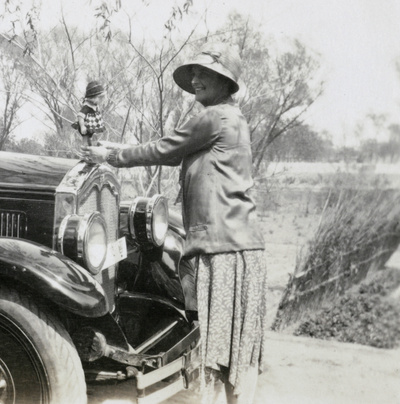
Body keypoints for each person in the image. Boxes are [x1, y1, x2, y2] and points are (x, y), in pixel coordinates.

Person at [82, 42, 266, 404]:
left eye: (206, 73)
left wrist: (112, 156)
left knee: (217, 353)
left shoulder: (213, 117)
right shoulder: (232, 117)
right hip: (239, 245)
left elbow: (164, 149)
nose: (196, 78)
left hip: (224, 248)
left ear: (225, 82)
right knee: (234, 352)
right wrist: (114, 148)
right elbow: (170, 148)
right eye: (195, 72)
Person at [72, 80, 106, 145]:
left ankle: (93, 146)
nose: (101, 100)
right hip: (86, 125)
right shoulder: (87, 106)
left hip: (92, 125)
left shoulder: (95, 105)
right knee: (86, 138)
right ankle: (85, 148)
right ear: (93, 98)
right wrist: (82, 126)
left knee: (94, 137)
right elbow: (80, 116)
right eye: (100, 98)